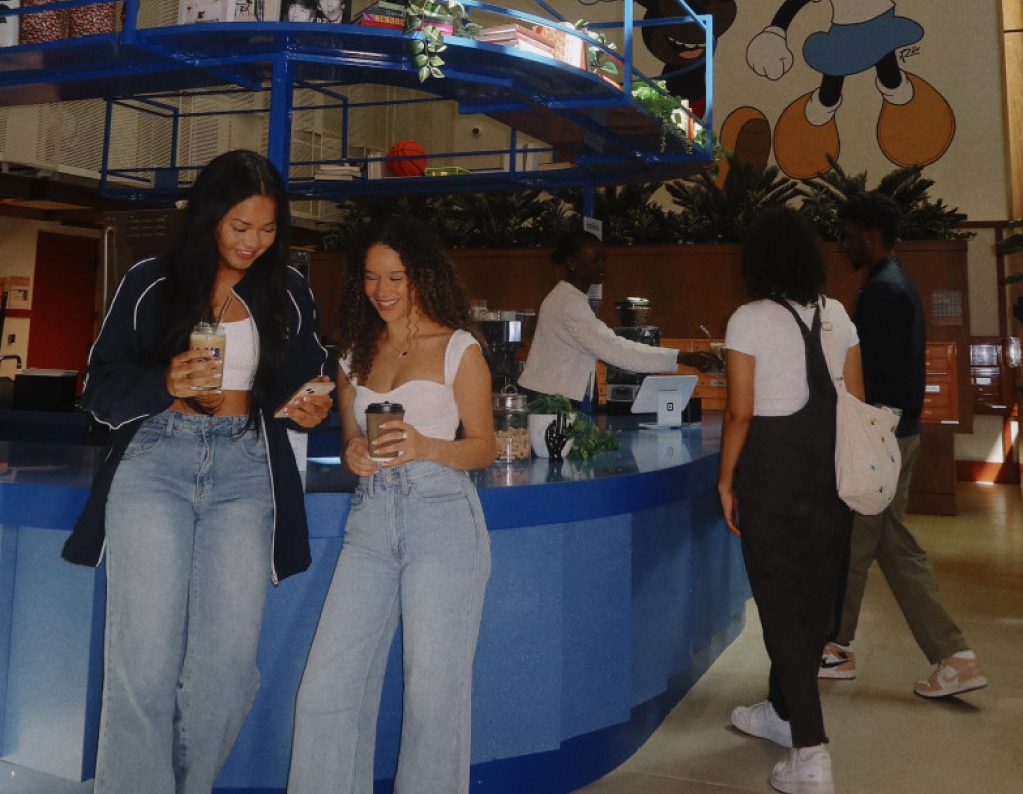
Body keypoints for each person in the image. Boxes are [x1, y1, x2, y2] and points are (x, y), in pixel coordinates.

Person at [61, 150, 332, 794]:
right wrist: (165, 382)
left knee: (228, 669)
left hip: (246, 468)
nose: (252, 244)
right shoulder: (152, 281)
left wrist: (311, 403)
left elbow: (308, 380)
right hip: (156, 461)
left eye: (267, 231)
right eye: (239, 227)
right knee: (143, 668)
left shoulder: (288, 290)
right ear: (209, 215)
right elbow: (99, 387)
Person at [288, 217, 494, 794]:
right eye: (372, 277)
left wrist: (427, 446)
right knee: (325, 691)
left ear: (422, 276)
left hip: (443, 517)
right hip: (371, 522)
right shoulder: (354, 353)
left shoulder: (458, 348)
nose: (383, 290)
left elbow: (482, 447)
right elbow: (351, 435)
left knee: (433, 702)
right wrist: (352, 449)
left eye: (396, 277)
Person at [718, 207, 863, 794]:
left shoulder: (748, 319)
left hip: (770, 480)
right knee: (808, 606)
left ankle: (811, 756)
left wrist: (726, 481)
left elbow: (739, 411)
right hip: (832, 479)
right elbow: (857, 402)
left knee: (779, 609)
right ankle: (781, 713)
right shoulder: (840, 316)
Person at [819, 191, 986, 699]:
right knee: (892, 545)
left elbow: (876, 375)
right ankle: (953, 657)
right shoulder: (893, 285)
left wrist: (851, 420)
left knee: (855, 540)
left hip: (881, 437)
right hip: (897, 434)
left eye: (847, 236)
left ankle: (837, 647)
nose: (842, 245)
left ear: (870, 238)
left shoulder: (882, 293)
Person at [516, 229, 715, 408]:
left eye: (604, 259)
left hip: (548, 395)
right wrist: (682, 357)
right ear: (572, 263)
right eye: (595, 261)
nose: (602, 266)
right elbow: (616, 350)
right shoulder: (569, 304)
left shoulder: (566, 296)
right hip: (547, 400)